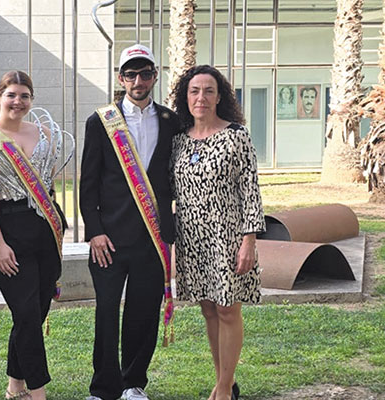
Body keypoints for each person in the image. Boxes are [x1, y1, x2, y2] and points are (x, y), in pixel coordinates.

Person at [79, 44, 181, 400]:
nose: (138, 81)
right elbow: (88, 183)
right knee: (107, 312)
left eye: (145, 73)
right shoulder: (101, 121)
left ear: (154, 75)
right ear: (120, 78)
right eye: (131, 74)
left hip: (153, 238)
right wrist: (94, 232)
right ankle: (103, 387)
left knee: (143, 311)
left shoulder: (171, 122)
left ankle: (133, 383)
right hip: (109, 238)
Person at [0, 70, 68, 400]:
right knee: (25, 312)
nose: (18, 102)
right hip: (7, 230)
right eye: (11, 95)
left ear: (31, 99)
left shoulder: (44, 133)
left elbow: (47, 185)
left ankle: (15, 387)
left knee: (34, 314)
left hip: (44, 230)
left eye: (24, 96)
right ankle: (39, 393)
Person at [170, 64, 265, 400]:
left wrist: (248, 241)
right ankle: (224, 377)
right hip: (192, 237)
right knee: (208, 307)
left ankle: (224, 388)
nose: (201, 97)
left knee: (228, 308)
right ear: (186, 96)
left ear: (219, 96)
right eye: (194, 91)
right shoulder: (178, 140)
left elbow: (250, 190)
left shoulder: (236, 135)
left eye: (208, 91)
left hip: (228, 235)